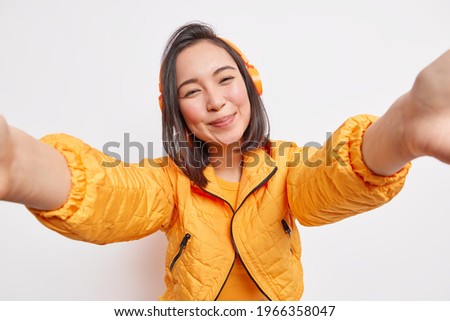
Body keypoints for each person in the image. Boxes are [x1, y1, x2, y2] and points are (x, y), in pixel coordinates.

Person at [0, 21, 449, 301]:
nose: (215, 101)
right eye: (192, 91)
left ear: (250, 85)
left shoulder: (290, 165)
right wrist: (18, 166)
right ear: (178, 113)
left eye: (225, 79)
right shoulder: (166, 181)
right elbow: (110, 195)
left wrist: (404, 127)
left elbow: (334, 180)